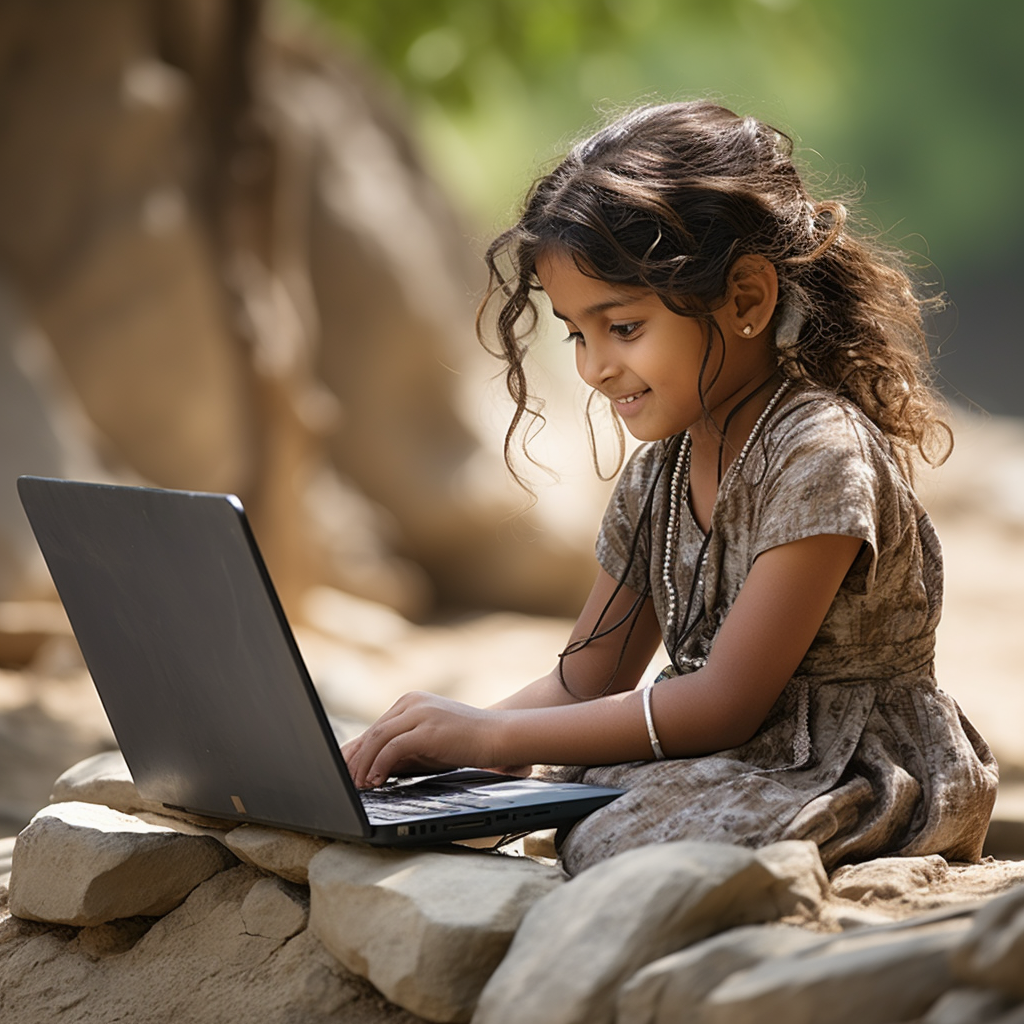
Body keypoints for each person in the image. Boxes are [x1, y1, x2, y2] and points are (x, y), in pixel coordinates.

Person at [343, 100, 998, 876]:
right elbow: (588, 678)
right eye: (576, 333)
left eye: (622, 327)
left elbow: (726, 702)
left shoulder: (817, 453)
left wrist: (495, 739)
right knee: (579, 800)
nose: (593, 367)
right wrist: (442, 741)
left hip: (852, 771)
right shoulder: (661, 474)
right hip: (725, 756)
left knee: (611, 831)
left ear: (747, 299)